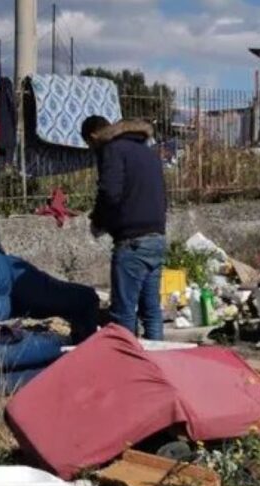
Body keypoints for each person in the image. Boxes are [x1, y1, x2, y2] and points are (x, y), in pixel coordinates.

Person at [81, 116, 167, 340]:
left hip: (132, 242)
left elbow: (110, 192)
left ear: (92, 137)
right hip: (157, 237)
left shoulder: (113, 150)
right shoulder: (148, 153)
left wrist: (98, 221)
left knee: (123, 314)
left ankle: (127, 369)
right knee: (151, 311)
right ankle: (155, 366)